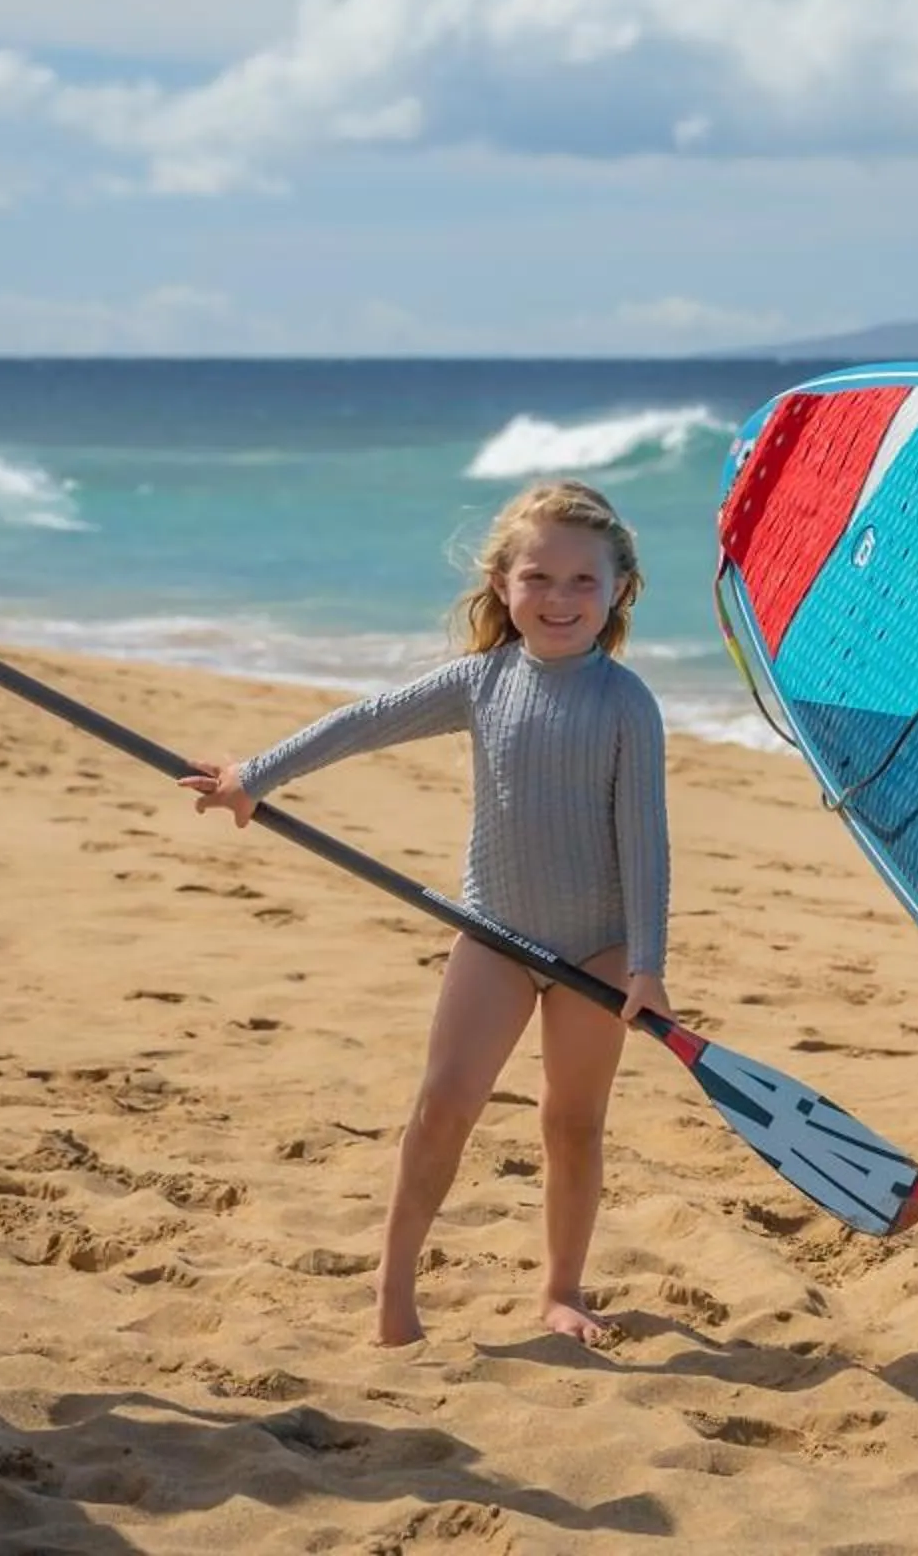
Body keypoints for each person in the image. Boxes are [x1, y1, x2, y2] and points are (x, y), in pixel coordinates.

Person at [183, 480, 673, 1348]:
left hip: (596, 953)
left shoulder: (626, 705)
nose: (559, 600)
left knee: (571, 1122)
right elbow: (363, 722)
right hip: (494, 934)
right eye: (538, 578)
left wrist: (646, 964)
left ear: (619, 590)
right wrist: (254, 778)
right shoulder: (480, 683)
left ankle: (561, 1290)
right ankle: (394, 1291)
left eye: (583, 583)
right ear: (502, 584)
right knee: (445, 1103)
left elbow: (645, 840)